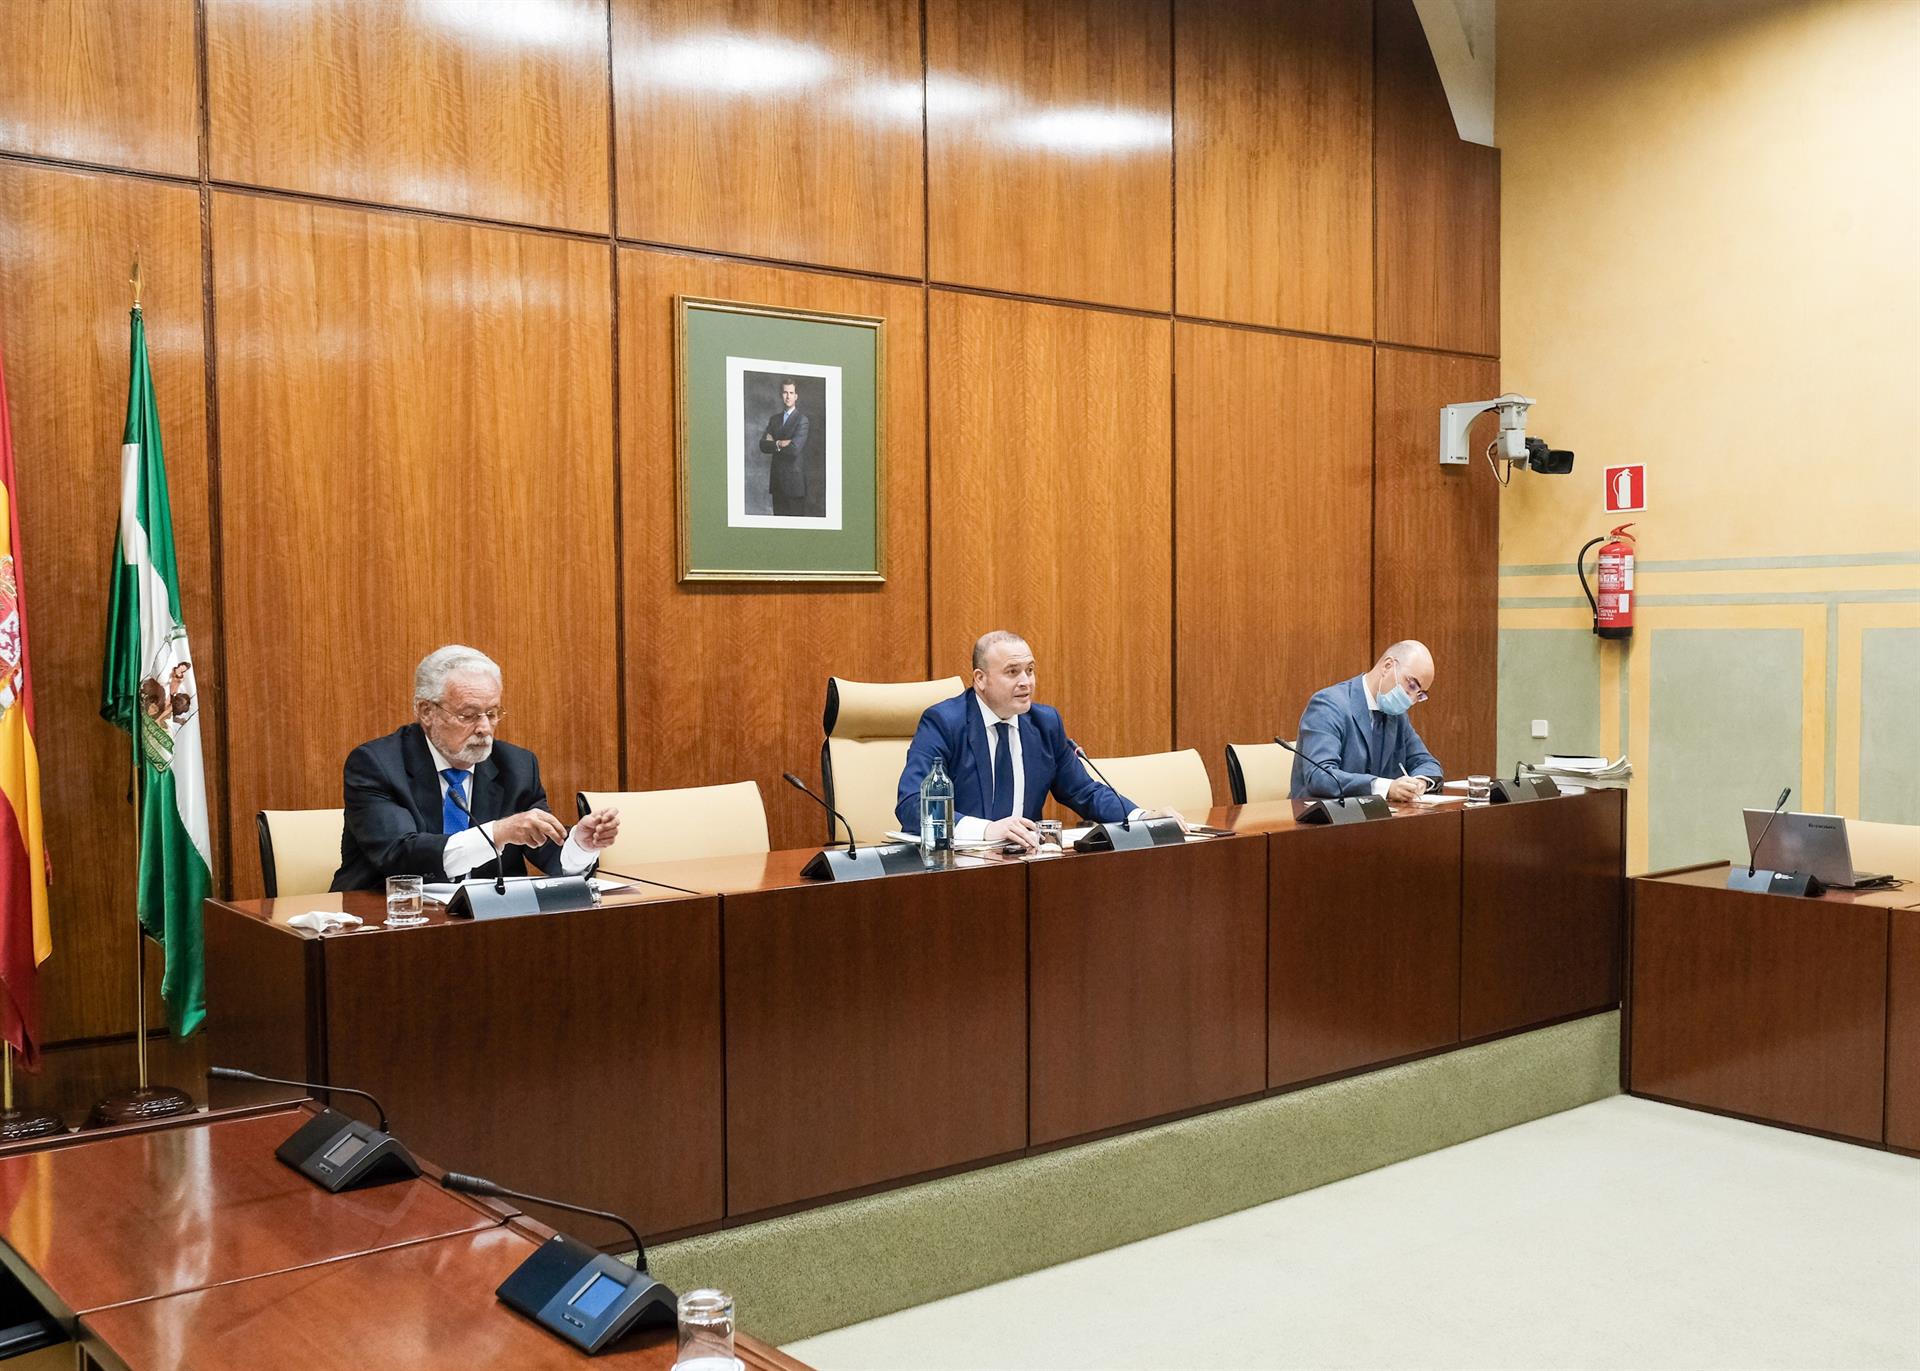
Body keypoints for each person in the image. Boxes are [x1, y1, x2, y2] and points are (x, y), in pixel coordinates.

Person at [329, 645, 620, 892]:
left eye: (492, 713)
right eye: (468, 715)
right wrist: (496, 833)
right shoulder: (378, 763)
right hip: (386, 921)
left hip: (486, 929)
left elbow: (548, 853)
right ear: (426, 711)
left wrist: (579, 845)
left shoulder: (516, 766)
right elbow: (399, 854)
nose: (484, 728)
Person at [894, 630, 1180, 851]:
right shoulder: (945, 722)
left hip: (1024, 864)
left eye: (1030, 670)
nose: (1026, 682)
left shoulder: (1044, 723)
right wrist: (986, 830)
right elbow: (911, 804)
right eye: (1012, 672)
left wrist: (1143, 817)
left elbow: (1084, 792)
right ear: (980, 679)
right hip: (959, 866)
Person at [1290, 640, 1444, 802]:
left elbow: (1427, 762)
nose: (1411, 699)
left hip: (1374, 819)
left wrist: (1420, 782)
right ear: (1387, 666)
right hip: (1321, 819)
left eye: (1419, 694)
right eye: (1411, 685)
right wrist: (1385, 787)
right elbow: (1320, 776)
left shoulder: (1396, 715)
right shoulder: (1329, 704)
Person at [758, 379, 811, 517]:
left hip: (794, 485)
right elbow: (763, 445)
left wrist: (774, 443)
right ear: (781, 395)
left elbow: (794, 449)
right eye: (785, 392)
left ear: (796, 396)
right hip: (777, 483)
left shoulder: (802, 420)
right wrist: (779, 443)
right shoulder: (774, 419)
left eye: (791, 393)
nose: (788, 396)